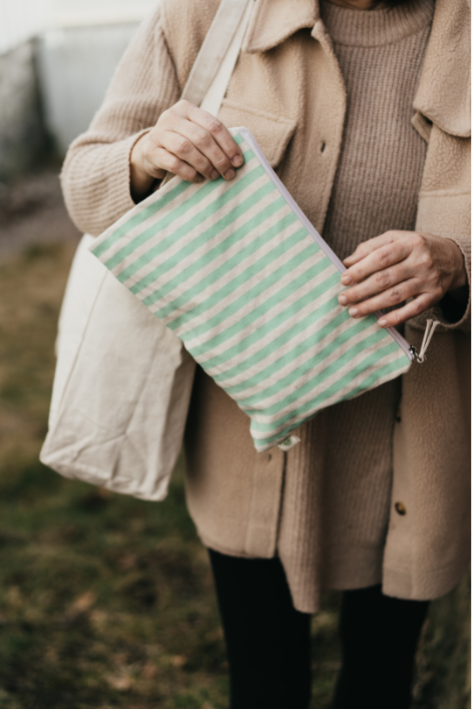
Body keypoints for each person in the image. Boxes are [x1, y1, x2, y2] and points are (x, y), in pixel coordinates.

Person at [61, 0, 471, 706]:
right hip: (245, 451)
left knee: (381, 682)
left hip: (419, 445)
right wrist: (141, 158)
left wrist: (460, 261)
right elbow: (84, 180)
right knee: (264, 683)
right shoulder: (204, 12)